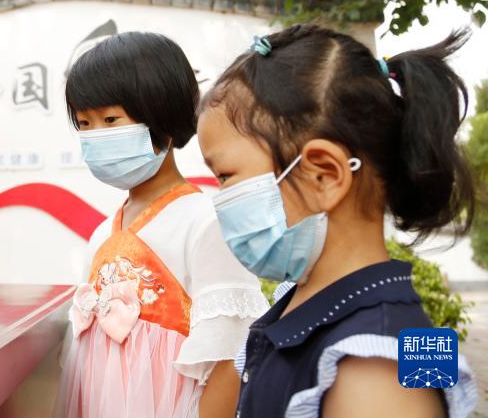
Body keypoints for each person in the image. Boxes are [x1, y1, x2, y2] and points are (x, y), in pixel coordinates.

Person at [197, 25, 479, 417]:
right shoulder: (305, 302)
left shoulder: (379, 365)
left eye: (226, 177)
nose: (221, 198)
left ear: (324, 175)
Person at [55, 32, 268, 417]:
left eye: (110, 119)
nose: (95, 136)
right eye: (84, 123)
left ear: (161, 115)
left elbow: (229, 357)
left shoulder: (205, 224)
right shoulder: (102, 234)